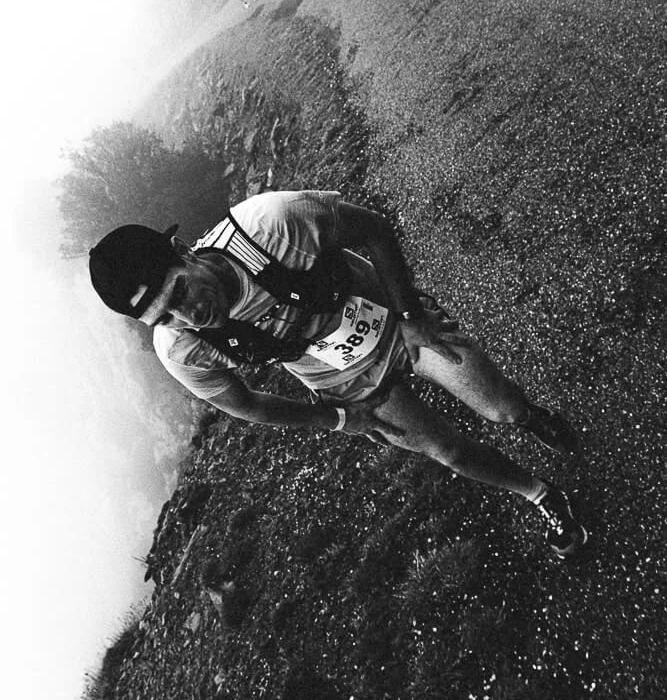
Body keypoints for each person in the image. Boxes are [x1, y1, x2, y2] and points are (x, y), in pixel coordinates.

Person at [89, 190, 587, 558]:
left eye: (179, 293)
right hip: (348, 386)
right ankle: (540, 494)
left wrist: (411, 318)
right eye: (164, 317)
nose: (188, 317)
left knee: (500, 408)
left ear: (184, 254)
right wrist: (342, 420)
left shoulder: (271, 225)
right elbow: (250, 405)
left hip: (395, 324)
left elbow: (372, 228)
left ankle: (529, 417)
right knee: (447, 450)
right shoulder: (181, 349)